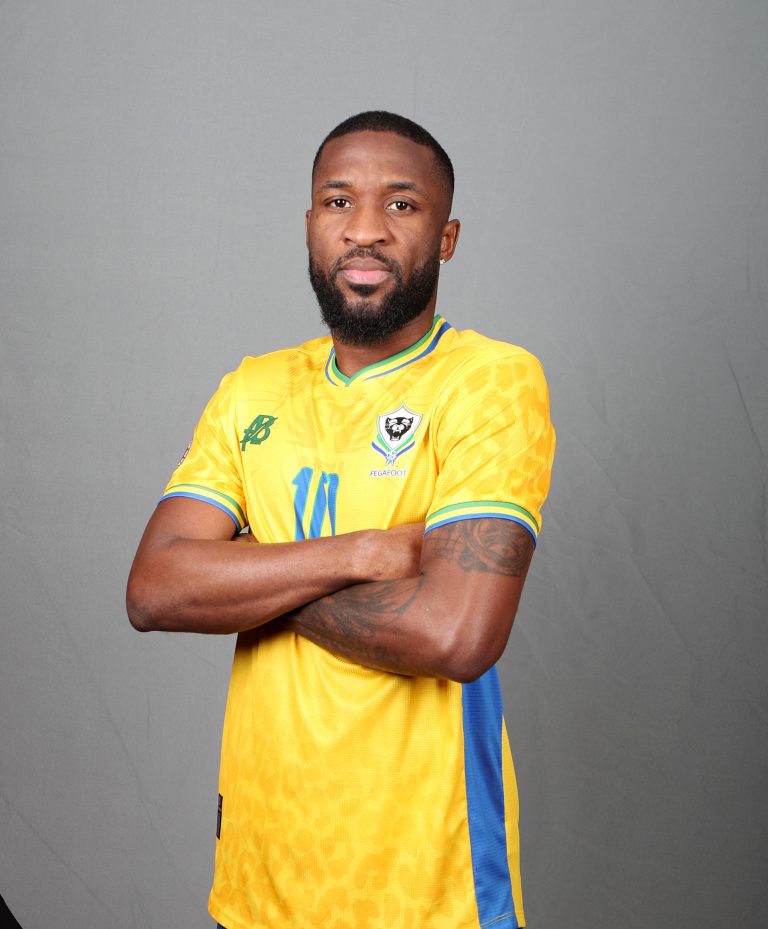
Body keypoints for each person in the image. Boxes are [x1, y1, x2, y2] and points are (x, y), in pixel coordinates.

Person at [127, 110, 555, 929]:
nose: (365, 229)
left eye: (401, 205)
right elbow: (153, 589)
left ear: (448, 235)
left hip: (422, 893)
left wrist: (247, 576)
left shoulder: (490, 383)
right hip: (258, 885)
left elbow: (454, 635)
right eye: (337, 202)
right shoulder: (252, 388)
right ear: (310, 226)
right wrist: (362, 551)